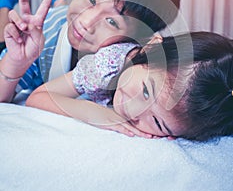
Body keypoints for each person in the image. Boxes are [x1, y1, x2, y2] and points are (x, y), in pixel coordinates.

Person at [0, 0, 180, 103]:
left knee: (67, 13)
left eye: (112, 22)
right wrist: (16, 62)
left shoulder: (130, 65)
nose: (87, 22)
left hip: (64, 20)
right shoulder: (44, 35)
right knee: (7, 32)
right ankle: (6, 3)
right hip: (57, 22)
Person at [26, 31, 233, 142]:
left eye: (158, 123)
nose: (133, 111)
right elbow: (38, 96)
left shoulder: (213, 114)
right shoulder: (108, 64)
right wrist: (92, 112)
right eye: (145, 91)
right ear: (152, 48)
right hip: (54, 46)